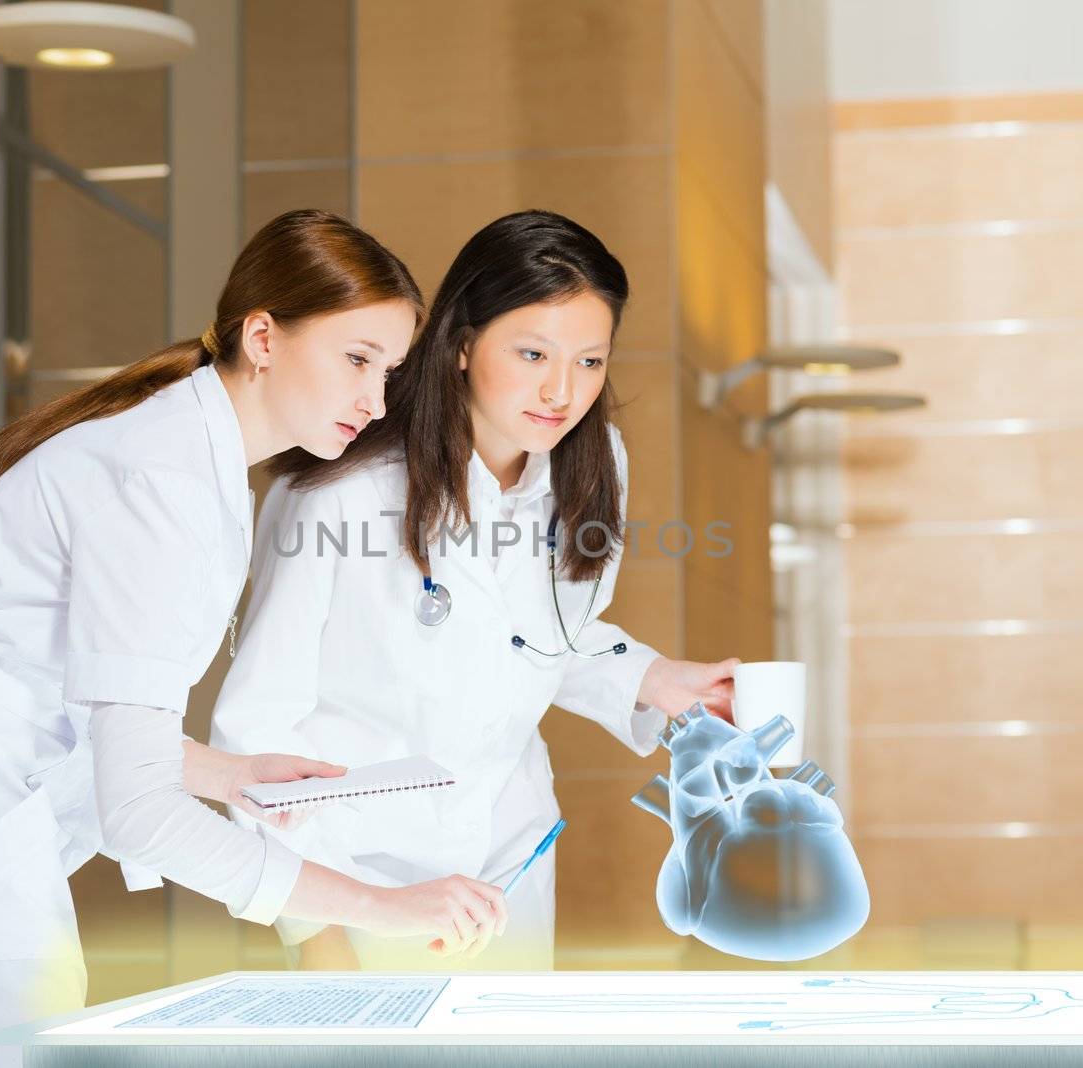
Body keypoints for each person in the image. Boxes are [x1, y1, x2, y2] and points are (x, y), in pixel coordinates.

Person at [0, 209, 508, 1068]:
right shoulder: (166, 479)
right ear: (263, 336)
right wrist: (385, 907)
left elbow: (54, 682)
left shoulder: (186, 457)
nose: (376, 401)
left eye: (390, 371)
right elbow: (142, 813)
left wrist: (221, 772)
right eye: (357, 360)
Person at [212, 210, 737, 972]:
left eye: (590, 362)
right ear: (461, 343)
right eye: (532, 353)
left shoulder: (594, 465)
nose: (562, 390)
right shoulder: (339, 489)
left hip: (509, 864)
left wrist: (655, 680)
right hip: (358, 879)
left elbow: (537, 629)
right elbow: (257, 720)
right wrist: (314, 930)